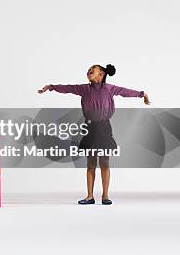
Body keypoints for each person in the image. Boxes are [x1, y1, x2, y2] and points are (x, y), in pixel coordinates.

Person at [38, 64, 150, 205]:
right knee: (91, 164)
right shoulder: (84, 89)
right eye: (88, 70)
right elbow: (68, 88)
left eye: (92, 69)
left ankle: (105, 196)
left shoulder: (110, 89)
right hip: (90, 127)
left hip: (104, 128)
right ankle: (89, 196)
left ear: (101, 73)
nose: (88, 71)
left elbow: (125, 92)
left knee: (104, 163)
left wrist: (142, 94)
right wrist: (51, 87)